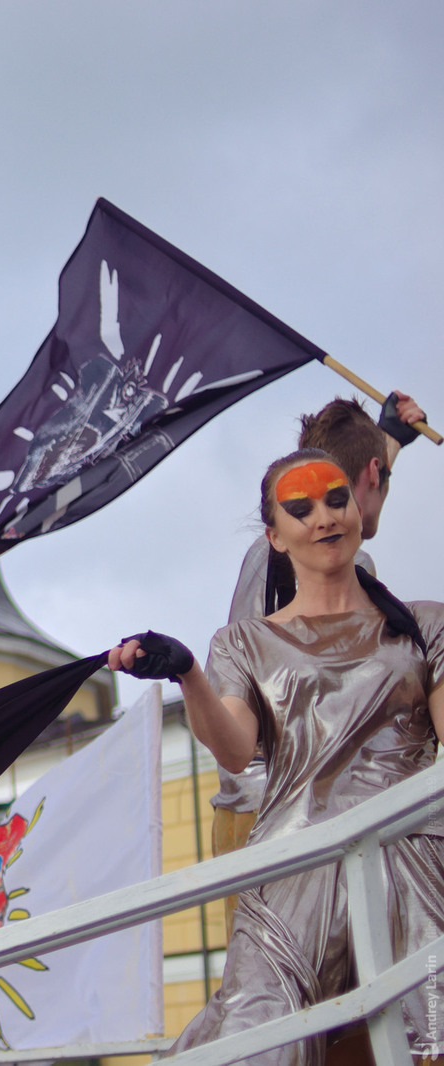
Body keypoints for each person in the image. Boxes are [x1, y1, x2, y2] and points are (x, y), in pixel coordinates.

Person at [110, 448, 444, 1066]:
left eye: (337, 498)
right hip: (297, 872)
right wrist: (189, 675)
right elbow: (236, 751)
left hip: (412, 864)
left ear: (356, 512)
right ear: (275, 535)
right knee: (255, 1043)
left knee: (432, 1037)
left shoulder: (425, 625)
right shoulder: (244, 643)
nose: (324, 518)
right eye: (301, 507)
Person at [213, 392, 428, 936]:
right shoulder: (317, 564)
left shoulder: (289, 544)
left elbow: (363, 482)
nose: (325, 519)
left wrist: (391, 442)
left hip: (300, 809)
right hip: (280, 817)